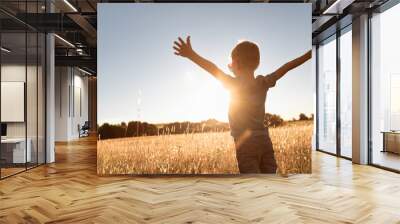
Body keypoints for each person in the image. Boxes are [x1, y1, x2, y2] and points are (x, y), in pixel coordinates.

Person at [173, 36, 311, 174]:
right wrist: (309, 55)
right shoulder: (263, 82)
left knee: (252, 186)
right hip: (264, 139)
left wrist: (191, 55)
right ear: (257, 63)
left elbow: (212, 68)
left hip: (245, 144)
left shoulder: (233, 84)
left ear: (237, 63)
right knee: (270, 182)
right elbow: (287, 66)